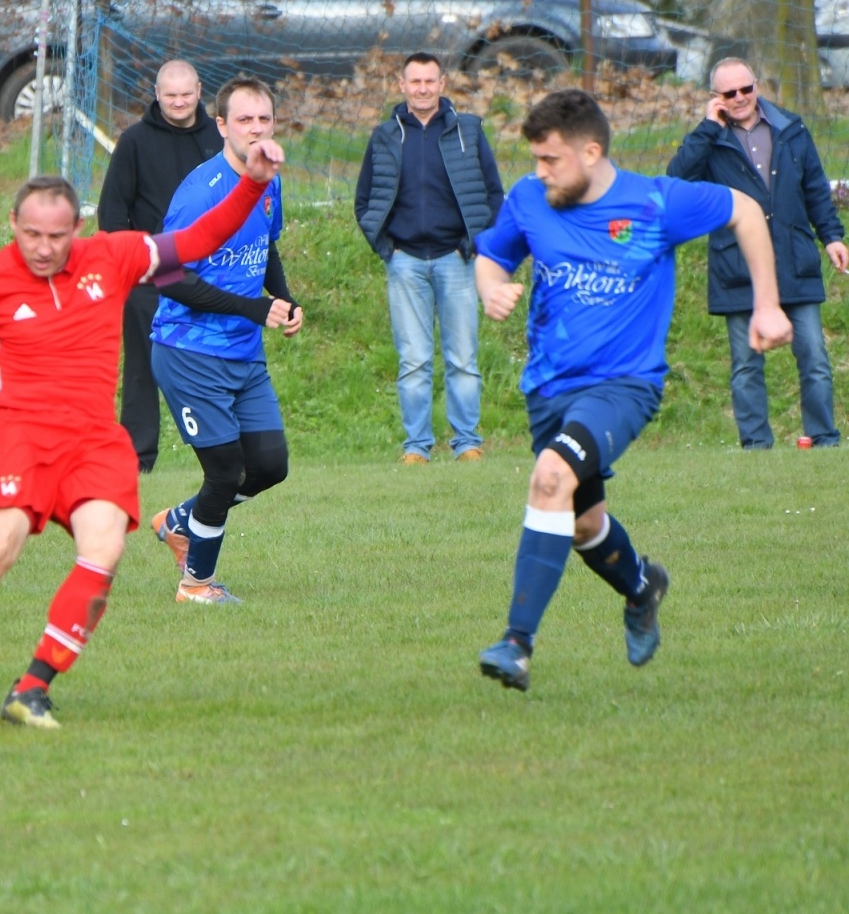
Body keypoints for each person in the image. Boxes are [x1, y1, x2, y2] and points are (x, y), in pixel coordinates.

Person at [0, 138, 286, 731]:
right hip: (22, 434)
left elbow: (197, 242)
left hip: (92, 440)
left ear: (76, 227)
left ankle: (31, 689)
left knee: (105, 547)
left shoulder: (111, 257)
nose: (43, 247)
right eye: (31, 234)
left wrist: (253, 182)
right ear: (13, 224)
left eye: (57, 236)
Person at [473, 89, 791, 692]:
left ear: (591, 151)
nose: (539, 172)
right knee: (584, 522)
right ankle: (643, 588)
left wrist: (767, 306)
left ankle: (517, 643)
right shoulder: (529, 200)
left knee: (549, 477)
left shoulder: (655, 202)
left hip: (623, 386)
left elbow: (746, 210)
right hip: (548, 391)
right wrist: (490, 288)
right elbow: (492, 257)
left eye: (551, 160)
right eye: (535, 160)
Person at [148, 76, 304, 605]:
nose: (256, 129)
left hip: (242, 351)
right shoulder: (198, 193)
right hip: (188, 350)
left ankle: (178, 521)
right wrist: (254, 308)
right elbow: (168, 277)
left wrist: (284, 299)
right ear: (221, 126)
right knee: (225, 472)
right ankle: (196, 585)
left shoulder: (269, 180)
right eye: (244, 120)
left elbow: (268, 248)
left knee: (269, 466)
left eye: (264, 119)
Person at [667, 57, 848, 450]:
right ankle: (756, 447)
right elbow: (674, 181)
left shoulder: (792, 128)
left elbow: (816, 189)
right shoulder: (709, 140)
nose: (739, 98)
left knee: (815, 359)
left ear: (757, 86)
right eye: (729, 93)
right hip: (738, 269)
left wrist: (831, 236)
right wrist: (708, 128)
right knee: (747, 366)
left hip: (795, 261)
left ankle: (825, 440)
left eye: (745, 89)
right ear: (716, 98)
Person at [355, 52, 504, 464]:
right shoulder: (385, 135)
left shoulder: (468, 131)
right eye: (414, 81)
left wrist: (472, 245)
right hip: (404, 262)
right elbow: (364, 200)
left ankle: (467, 442)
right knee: (414, 360)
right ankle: (416, 447)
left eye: (429, 81)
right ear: (401, 85)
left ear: (442, 84)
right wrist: (388, 249)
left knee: (463, 358)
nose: (422, 88)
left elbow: (493, 194)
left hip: (457, 260)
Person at [97, 59, 224, 472]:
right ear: (156, 94)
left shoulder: (219, 138)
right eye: (170, 95)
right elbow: (112, 213)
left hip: (211, 267)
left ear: (200, 91)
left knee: (217, 360)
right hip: (152, 267)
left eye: (186, 94)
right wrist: (132, 261)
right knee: (143, 364)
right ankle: (137, 456)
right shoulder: (133, 142)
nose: (179, 102)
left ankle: (222, 446)